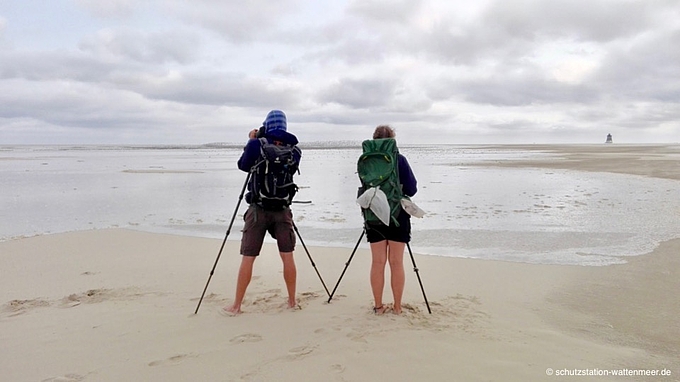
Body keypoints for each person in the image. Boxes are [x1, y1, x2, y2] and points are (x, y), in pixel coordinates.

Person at [222, 110, 302, 315]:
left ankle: (237, 305)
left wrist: (252, 140)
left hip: (258, 209)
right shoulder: (294, 150)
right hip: (282, 209)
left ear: (267, 124)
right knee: (288, 256)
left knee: (248, 257)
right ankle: (292, 301)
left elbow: (243, 166)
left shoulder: (257, 144)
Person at [364, 125, 417, 315]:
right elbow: (411, 189)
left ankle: (378, 307)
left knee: (377, 262)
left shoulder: (367, 160)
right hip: (397, 215)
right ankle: (397, 307)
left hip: (373, 215)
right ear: (392, 140)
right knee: (396, 262)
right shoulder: (399, 159)